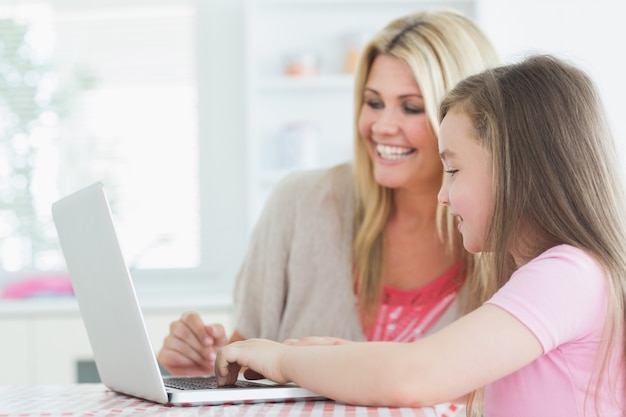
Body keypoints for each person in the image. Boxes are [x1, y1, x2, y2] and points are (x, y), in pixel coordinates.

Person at [213, 55, 626, 416]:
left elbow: (415, 374)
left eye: (454, 170)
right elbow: (438, 368)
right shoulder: (563, 276)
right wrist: (340, 359)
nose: (443, 196)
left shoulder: (568, 276)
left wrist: (284, 360)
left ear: (516, 170)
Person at [158, 9, 499, 376]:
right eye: (373, 102)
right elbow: (243, 365)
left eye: (411, 107)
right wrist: (204, 367)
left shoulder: (504, 240)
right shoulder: (298, 204)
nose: (382, 126)